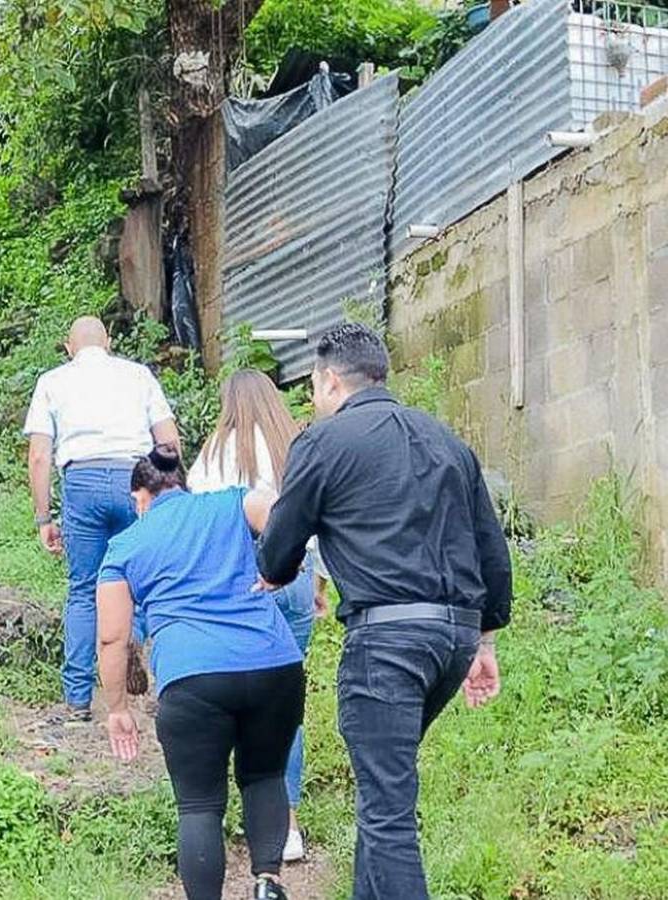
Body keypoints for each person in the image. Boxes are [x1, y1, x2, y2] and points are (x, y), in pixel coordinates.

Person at [257, 323, 512, 900]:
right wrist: (486, 642)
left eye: (313, 388)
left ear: (328, 380)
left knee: (389, 812)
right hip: (454, 640)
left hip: (387, 643)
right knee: (383, 793)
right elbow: (491, 551)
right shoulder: (446, 440)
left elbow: (278, 547)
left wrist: (271, 574)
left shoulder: (323, 443)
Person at [97, 446, 302, 900]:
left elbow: (113, 638)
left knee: (199, 806)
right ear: (180, 483)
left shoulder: (126, 545)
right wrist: (284, 568)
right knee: (265, 775)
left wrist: (117, 708)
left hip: (193, 679)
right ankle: (267, 883)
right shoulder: (230, 502)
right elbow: (279, 510)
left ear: (141, 497)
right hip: (274, 664)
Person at [187, 368, 318, 863]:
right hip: (296, 579)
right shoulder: (295, 448)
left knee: (231, 697)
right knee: (286, 705)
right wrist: (318, 585)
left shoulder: (214, 454)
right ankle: (287, 827)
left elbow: (202, 525)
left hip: (238, 584)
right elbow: (315, 520)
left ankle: (220, 813)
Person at [24, 317, 179, 722]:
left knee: (83, 590)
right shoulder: (138, 375)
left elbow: (39, 455)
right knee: (145, 584)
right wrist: (168, 497)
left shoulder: (52, 381)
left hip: (82, 483)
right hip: (136, 478)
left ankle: (77, 698)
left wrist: (44, 517)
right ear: (108, 341)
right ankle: (144, 677)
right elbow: (169, 442)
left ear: (68, 347)